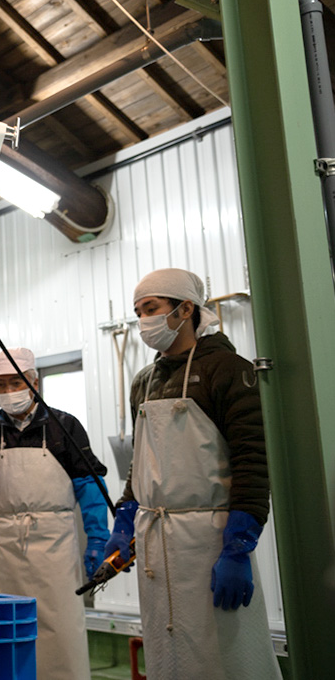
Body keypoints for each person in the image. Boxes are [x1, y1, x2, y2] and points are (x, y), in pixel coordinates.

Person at [104, 268, 281, 679]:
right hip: (155, 541)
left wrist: (237, 546)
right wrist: (126, 517)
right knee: (168, 652)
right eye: (137, 311)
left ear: (186, 308)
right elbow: (141, 460)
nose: (143, 321)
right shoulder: (144, 382)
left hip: (209, 542)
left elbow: (253, 461)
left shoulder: (229, 369)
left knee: (223, 654)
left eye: (151, 309)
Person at [0, 347, 108, 680]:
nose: (9, 392)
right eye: (1, 385)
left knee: (61, 625)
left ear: (34, 381)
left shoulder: (64, 426)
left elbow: (90, 486)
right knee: (10, 623)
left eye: (16, 382)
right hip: (6, 543)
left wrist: (97, 536)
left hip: (56, 543)